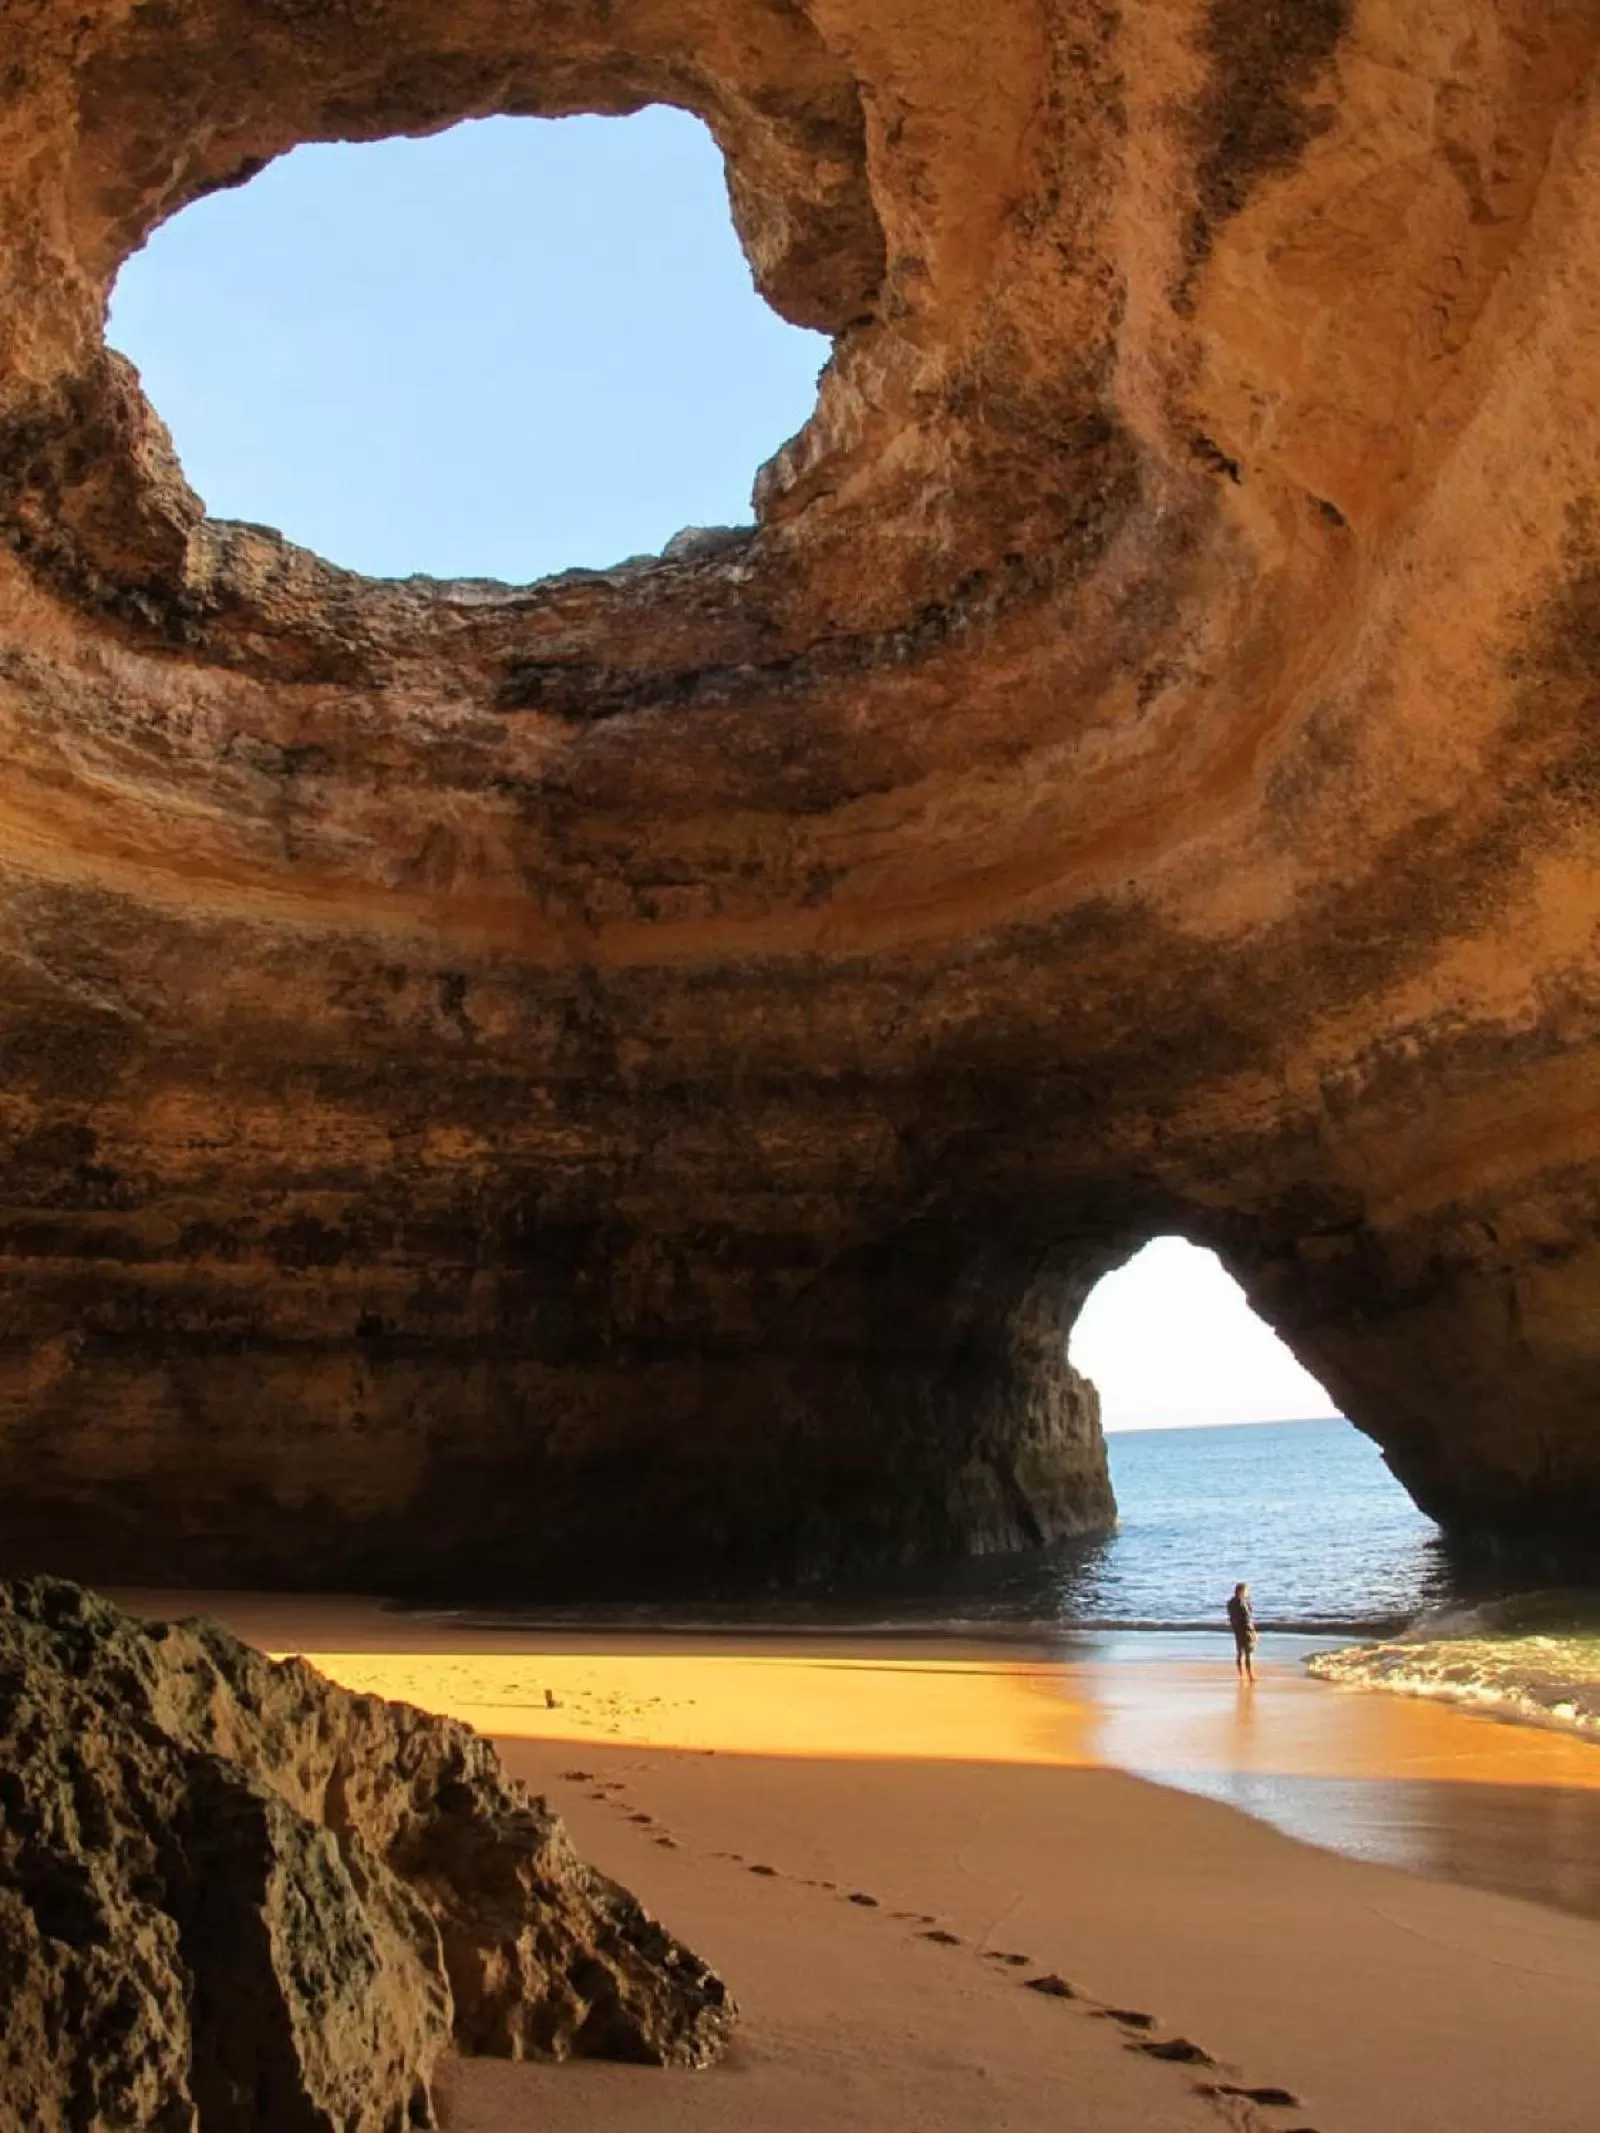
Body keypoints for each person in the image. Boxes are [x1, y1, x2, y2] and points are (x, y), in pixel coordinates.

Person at [1226, 1581, 1257, 1682]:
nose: (1247, 1593)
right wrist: (1253, 1632)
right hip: (1246, 1630)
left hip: (1237, 1630)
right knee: (1248, 1653)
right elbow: (1247, 1618)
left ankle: (1241, 1674)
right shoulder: (1243, 1603)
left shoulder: (1230, 1603)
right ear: (1241, 1591)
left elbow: (1231, 1617)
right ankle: (1250, 1675)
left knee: (1239, 1653)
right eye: (1246, 1591)